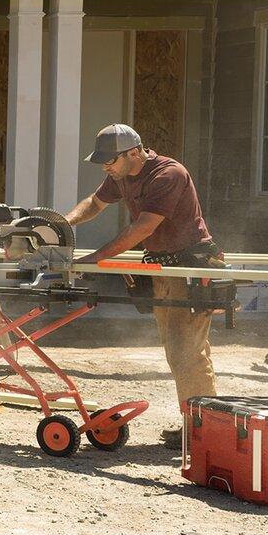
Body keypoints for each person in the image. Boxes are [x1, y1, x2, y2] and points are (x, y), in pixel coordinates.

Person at [61, 124, 221, 448]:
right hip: (165, 267)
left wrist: (99, 257)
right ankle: (200, 424)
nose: (106, 167)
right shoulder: (122, 174)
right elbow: (95, 202)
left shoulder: (168, 174)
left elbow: (143, 228)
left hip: (190, 267)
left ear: (134, 152)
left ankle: (204, 430)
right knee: (181, 350)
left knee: (186, 352)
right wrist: (63, 223)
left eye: (111, 161)